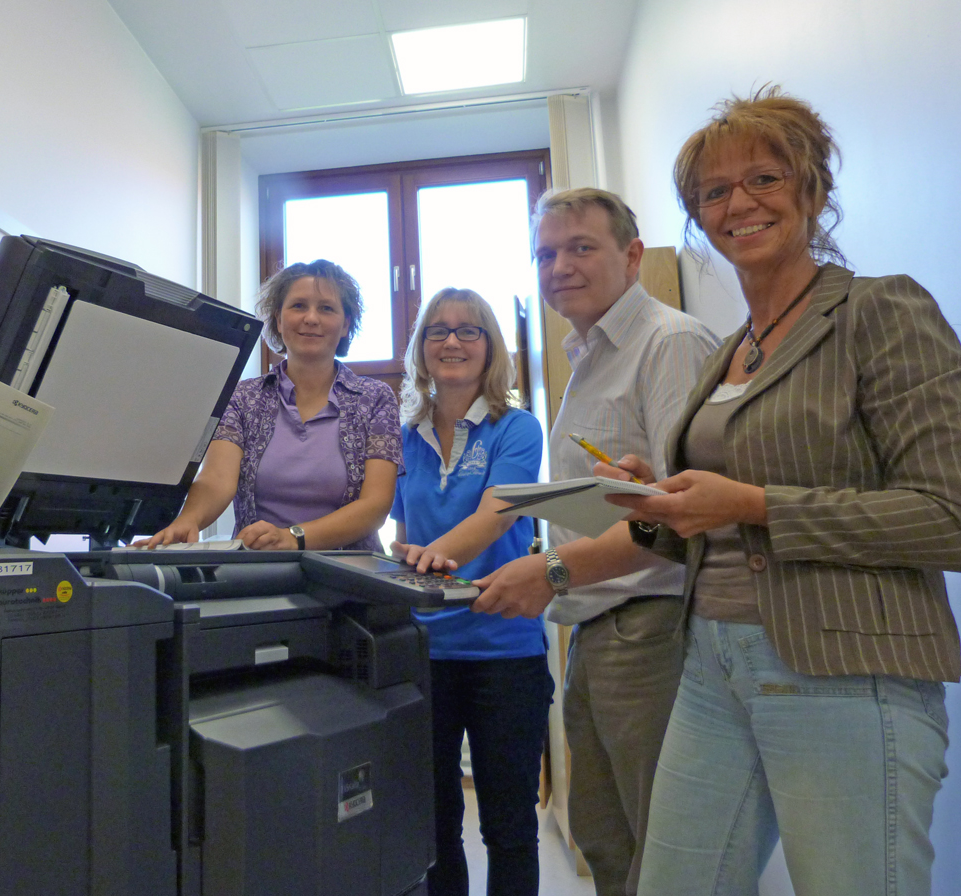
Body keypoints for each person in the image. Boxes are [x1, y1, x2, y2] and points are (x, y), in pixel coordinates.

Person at [599, 87, 961, 896]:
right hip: (711, 662)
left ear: (812, 189)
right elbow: (716, 521)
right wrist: (658, 503)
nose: (738, 204)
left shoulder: (878, 310)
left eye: (763, 179)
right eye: (713, 192)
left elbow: (949, 516)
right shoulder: (726, 351)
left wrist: (752, 505)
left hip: (846, 670)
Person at [472, 188, 719, 896]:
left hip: (652, 630)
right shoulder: (587, 355)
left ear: (632, 256)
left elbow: (678, 514)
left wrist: (549, 568)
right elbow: (623, 495)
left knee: (671, 856)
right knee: (607, 842)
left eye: (581, 247)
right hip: (594, 626)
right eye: (545, 253)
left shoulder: (668, 343)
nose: (559, 267)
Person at [389, 287, 550, 896]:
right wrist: (402, 558)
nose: (451, 341)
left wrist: (427, 559)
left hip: (504, 652)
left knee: (509, 827)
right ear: (421, 348)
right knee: (432, 828)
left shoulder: (518, 427)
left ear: (490, 347)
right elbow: (403, 533)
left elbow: (497, 514)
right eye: (437, 330)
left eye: (468, 330)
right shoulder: (404, 438)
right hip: (424, 655)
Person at [142, 259, 401, 550]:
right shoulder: (243, 397)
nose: (311, 318)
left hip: (350, 570)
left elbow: (376, 505)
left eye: (326, 308)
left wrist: (293, 537)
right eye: (298, 306)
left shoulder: (376, 398)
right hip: (258, 564)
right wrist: (189, 520)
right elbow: (217, 478)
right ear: (278, 320)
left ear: (346, 325)